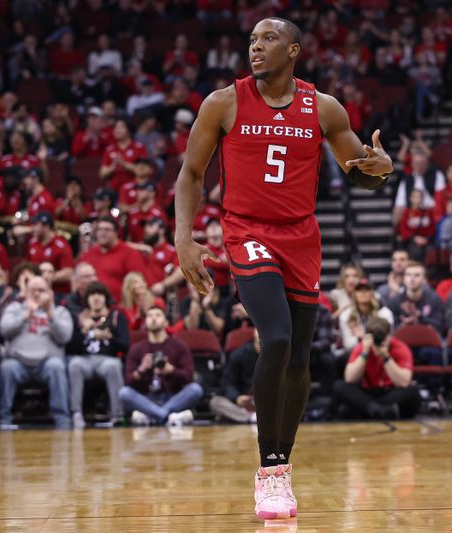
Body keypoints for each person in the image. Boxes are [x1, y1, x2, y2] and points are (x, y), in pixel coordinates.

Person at [173, 17, 394, 520]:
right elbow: (191, 173)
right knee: (275, 338)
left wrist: (381, 171)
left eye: (268, 39)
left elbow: (359, 171)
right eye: (251, 40)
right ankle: (269, 470)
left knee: (298, 360)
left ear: (293, 50)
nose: (256, 48)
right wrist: (184, 238)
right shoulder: (223, 102)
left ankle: (283, 464)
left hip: (301, 236)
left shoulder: (324, 108)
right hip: (247, 232)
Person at [0, 276, 73, 429]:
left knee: (56, 367)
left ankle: (62, 419)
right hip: (18, 362)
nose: (38, 294)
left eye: (42, 290)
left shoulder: (60, 311)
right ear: (26, 292)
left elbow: (65, 337)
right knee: (7, 367)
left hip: (47, 363)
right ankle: (3, 418)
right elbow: (4, 330)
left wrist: (50, 314)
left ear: (50, 293)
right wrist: (26, 315)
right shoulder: (14, 308)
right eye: (33, 290)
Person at [332, 316, 420, 420]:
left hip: (391, 392)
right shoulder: (362, 348)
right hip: (368, 392)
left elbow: (404, 382)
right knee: (339, 386)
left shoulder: (400, 348)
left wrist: (386, 358)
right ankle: (378, 410)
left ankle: (370, 410)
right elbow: (350, 379)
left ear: (389, 336)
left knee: (412, 391)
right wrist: (364, 353)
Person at [67, 281, 129, 428]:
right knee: (74, 364)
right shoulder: (80, 318)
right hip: (84, 359)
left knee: (113, 366)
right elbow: (70, 347)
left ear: (105, 298)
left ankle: (118, 414)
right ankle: (76, 414)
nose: (96, 298)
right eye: (92, 295)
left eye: (100, 295)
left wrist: (109, 338)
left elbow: (126, 345)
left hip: (107, 359)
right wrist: (82, 332)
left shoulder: (115, 317)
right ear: (87, 299)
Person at [79, 216, 149, 302]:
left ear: (116, 233)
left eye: (107, 230)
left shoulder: (130, 253)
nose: (103, 233)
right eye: (100, 229)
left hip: (120, 307)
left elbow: (138, 283)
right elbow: (77, 278)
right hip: (92, 305)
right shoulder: (89, 253)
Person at [210, 329, 260, 424]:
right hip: (245, 403)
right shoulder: (239, 354)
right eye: (259, 331)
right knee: (215, 402)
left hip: (269, 402)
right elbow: (228, 383)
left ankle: (244, 417)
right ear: (254, 333)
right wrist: (237, 398)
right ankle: (251, 417)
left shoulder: (278, 355)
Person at [338, 279, 395, 357]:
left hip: (380, 352)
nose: (363, 293)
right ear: (354, 294)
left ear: (373, 293)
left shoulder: (385, 313)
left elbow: (388, 340)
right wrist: (360, 341)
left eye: (367, 290)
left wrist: (362, 337)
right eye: (359, 290)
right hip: (356, 353)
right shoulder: (346, 315)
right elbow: (348, 345)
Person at [387, 261, 445, 336]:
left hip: (427, 341)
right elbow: (390, 328)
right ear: (404, 278)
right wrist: (403, 326)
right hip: (403, 340)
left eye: (417, 275)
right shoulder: (395, 302)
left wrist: (420, 318)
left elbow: (440, 326)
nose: (412, 279)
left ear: (424, 280)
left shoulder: (434, 300)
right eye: (408, 275)